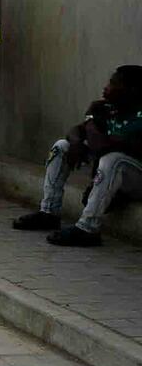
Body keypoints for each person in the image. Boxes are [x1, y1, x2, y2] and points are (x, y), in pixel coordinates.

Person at [13, 65, 142, 247]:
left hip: (136, 179)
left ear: (132, 91)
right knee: (62, 147)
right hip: (112, 173)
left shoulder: (138, 116)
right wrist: (77, 141)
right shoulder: (110, 109)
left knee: (112, 159)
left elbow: (104, 146)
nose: (106, 88)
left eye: (113, 84)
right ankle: (49, 212)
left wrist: (90, 121)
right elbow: (75, 131)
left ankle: (88, 228)